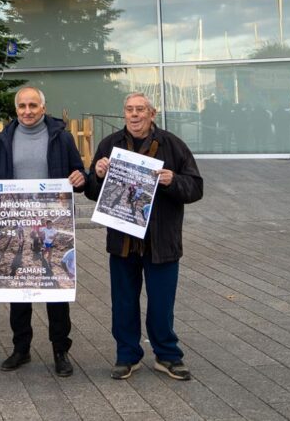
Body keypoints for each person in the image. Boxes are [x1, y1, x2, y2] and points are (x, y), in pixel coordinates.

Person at [85, 92, 203, 382]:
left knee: (161, 305)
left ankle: (167, 355)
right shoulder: (109, 145)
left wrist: (173, 180)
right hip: (123, 241)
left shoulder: (173, 145)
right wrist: (97, 175)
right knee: (123, 303)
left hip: (161, 242)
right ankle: (127, 356)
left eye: (140, 109)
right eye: (129, 109)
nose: (134, 114)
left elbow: (196, 188)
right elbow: (91, 191)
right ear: (124, 113)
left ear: (152, 113)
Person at [0, 86, 87, 378]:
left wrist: (81, 177)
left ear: (43, 108)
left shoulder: (61, 137)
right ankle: (21, 348)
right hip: (17, 223)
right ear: (16, 109)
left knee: (56, 287)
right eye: (22, 106)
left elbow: (79, 174)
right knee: (19, 285)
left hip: (53, 223)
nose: (27, 111)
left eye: (33, 105)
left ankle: (60, 350)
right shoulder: (3, 139)